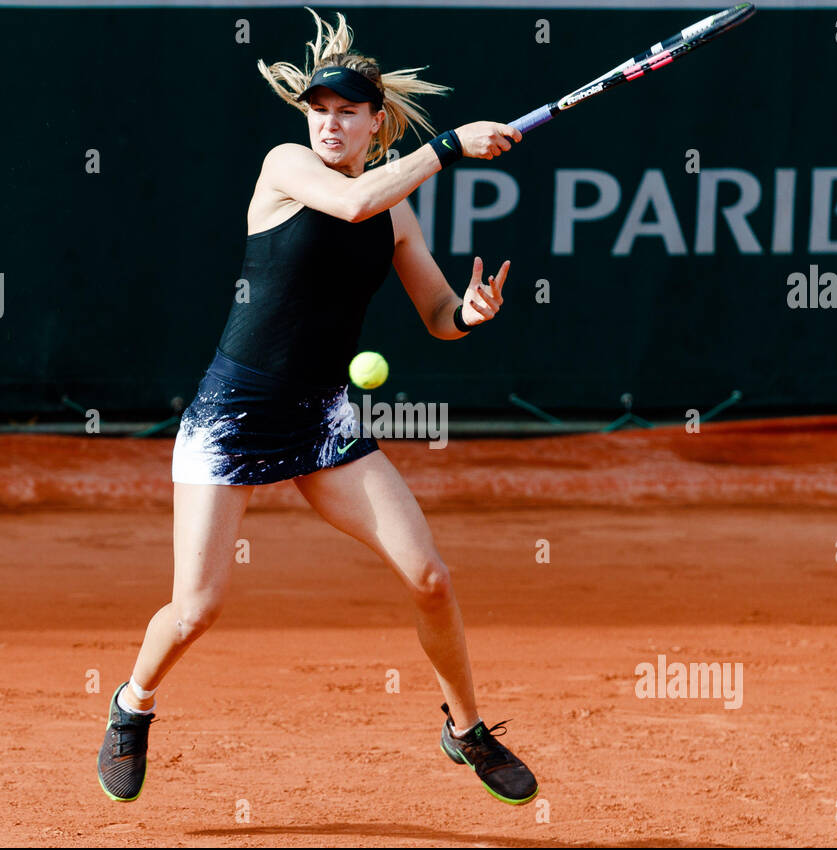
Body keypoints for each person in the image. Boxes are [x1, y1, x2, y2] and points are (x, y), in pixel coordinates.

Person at [97, 7, 538, 806]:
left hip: (324, 418)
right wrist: (448, 148)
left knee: (431, 575)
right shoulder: (286, 167)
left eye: (347, 113)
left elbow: (437, 314)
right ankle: (133, 704)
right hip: (231, 418)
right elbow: (351, 205)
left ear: (376, 124)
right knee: (196, 609)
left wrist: (470, 313)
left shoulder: (394, 207)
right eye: (320, 110)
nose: (330, 124)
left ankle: (465, 727)